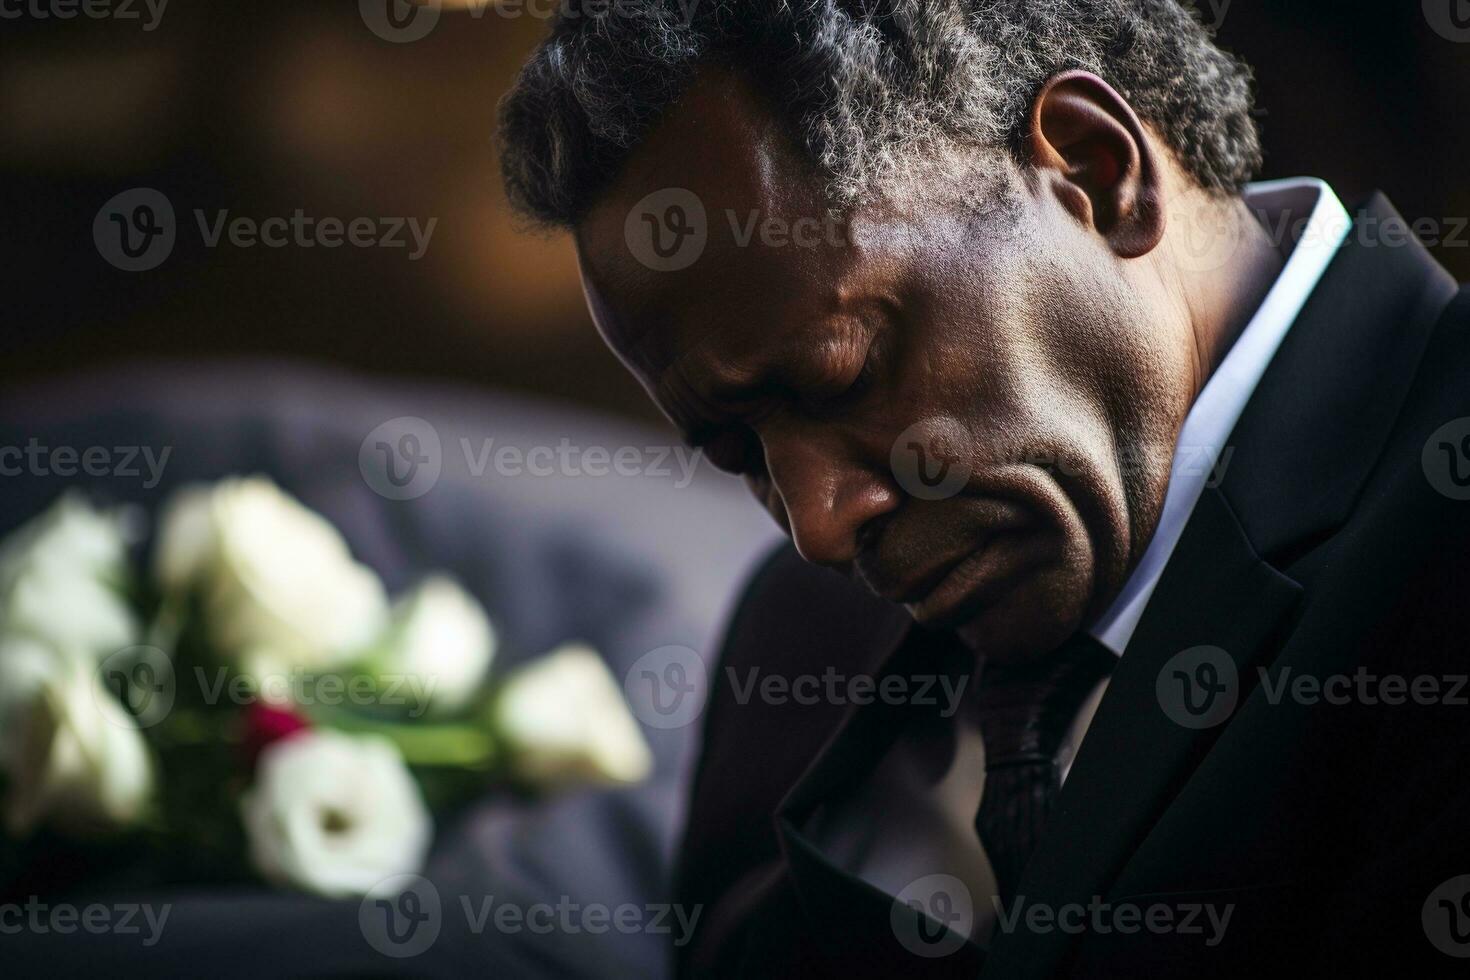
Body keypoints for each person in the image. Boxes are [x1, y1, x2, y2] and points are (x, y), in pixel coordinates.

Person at [499, 1, 1470, 974]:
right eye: (737, 454)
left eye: (844, 376)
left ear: (1095, 171)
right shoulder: (795, 637)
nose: (821, 528)